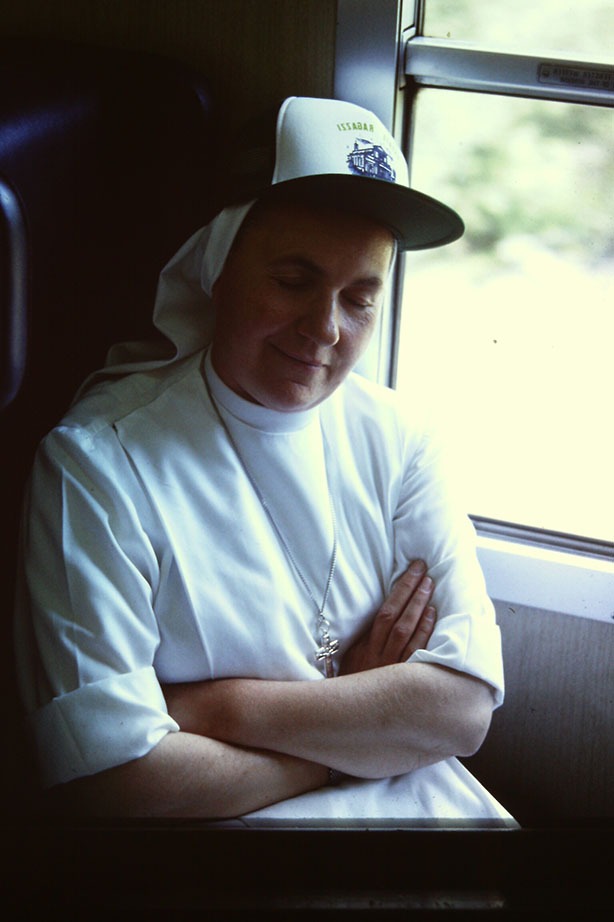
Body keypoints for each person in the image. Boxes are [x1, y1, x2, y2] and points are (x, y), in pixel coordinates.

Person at [14, 96, 514, 824]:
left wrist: (214, 709)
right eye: (293, 281)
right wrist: (356, 732)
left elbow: (461, 711)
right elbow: (118, 781)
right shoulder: (97, 464)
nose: (324, 328)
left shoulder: (403, 435)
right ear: (217, 268)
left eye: (360, 298)